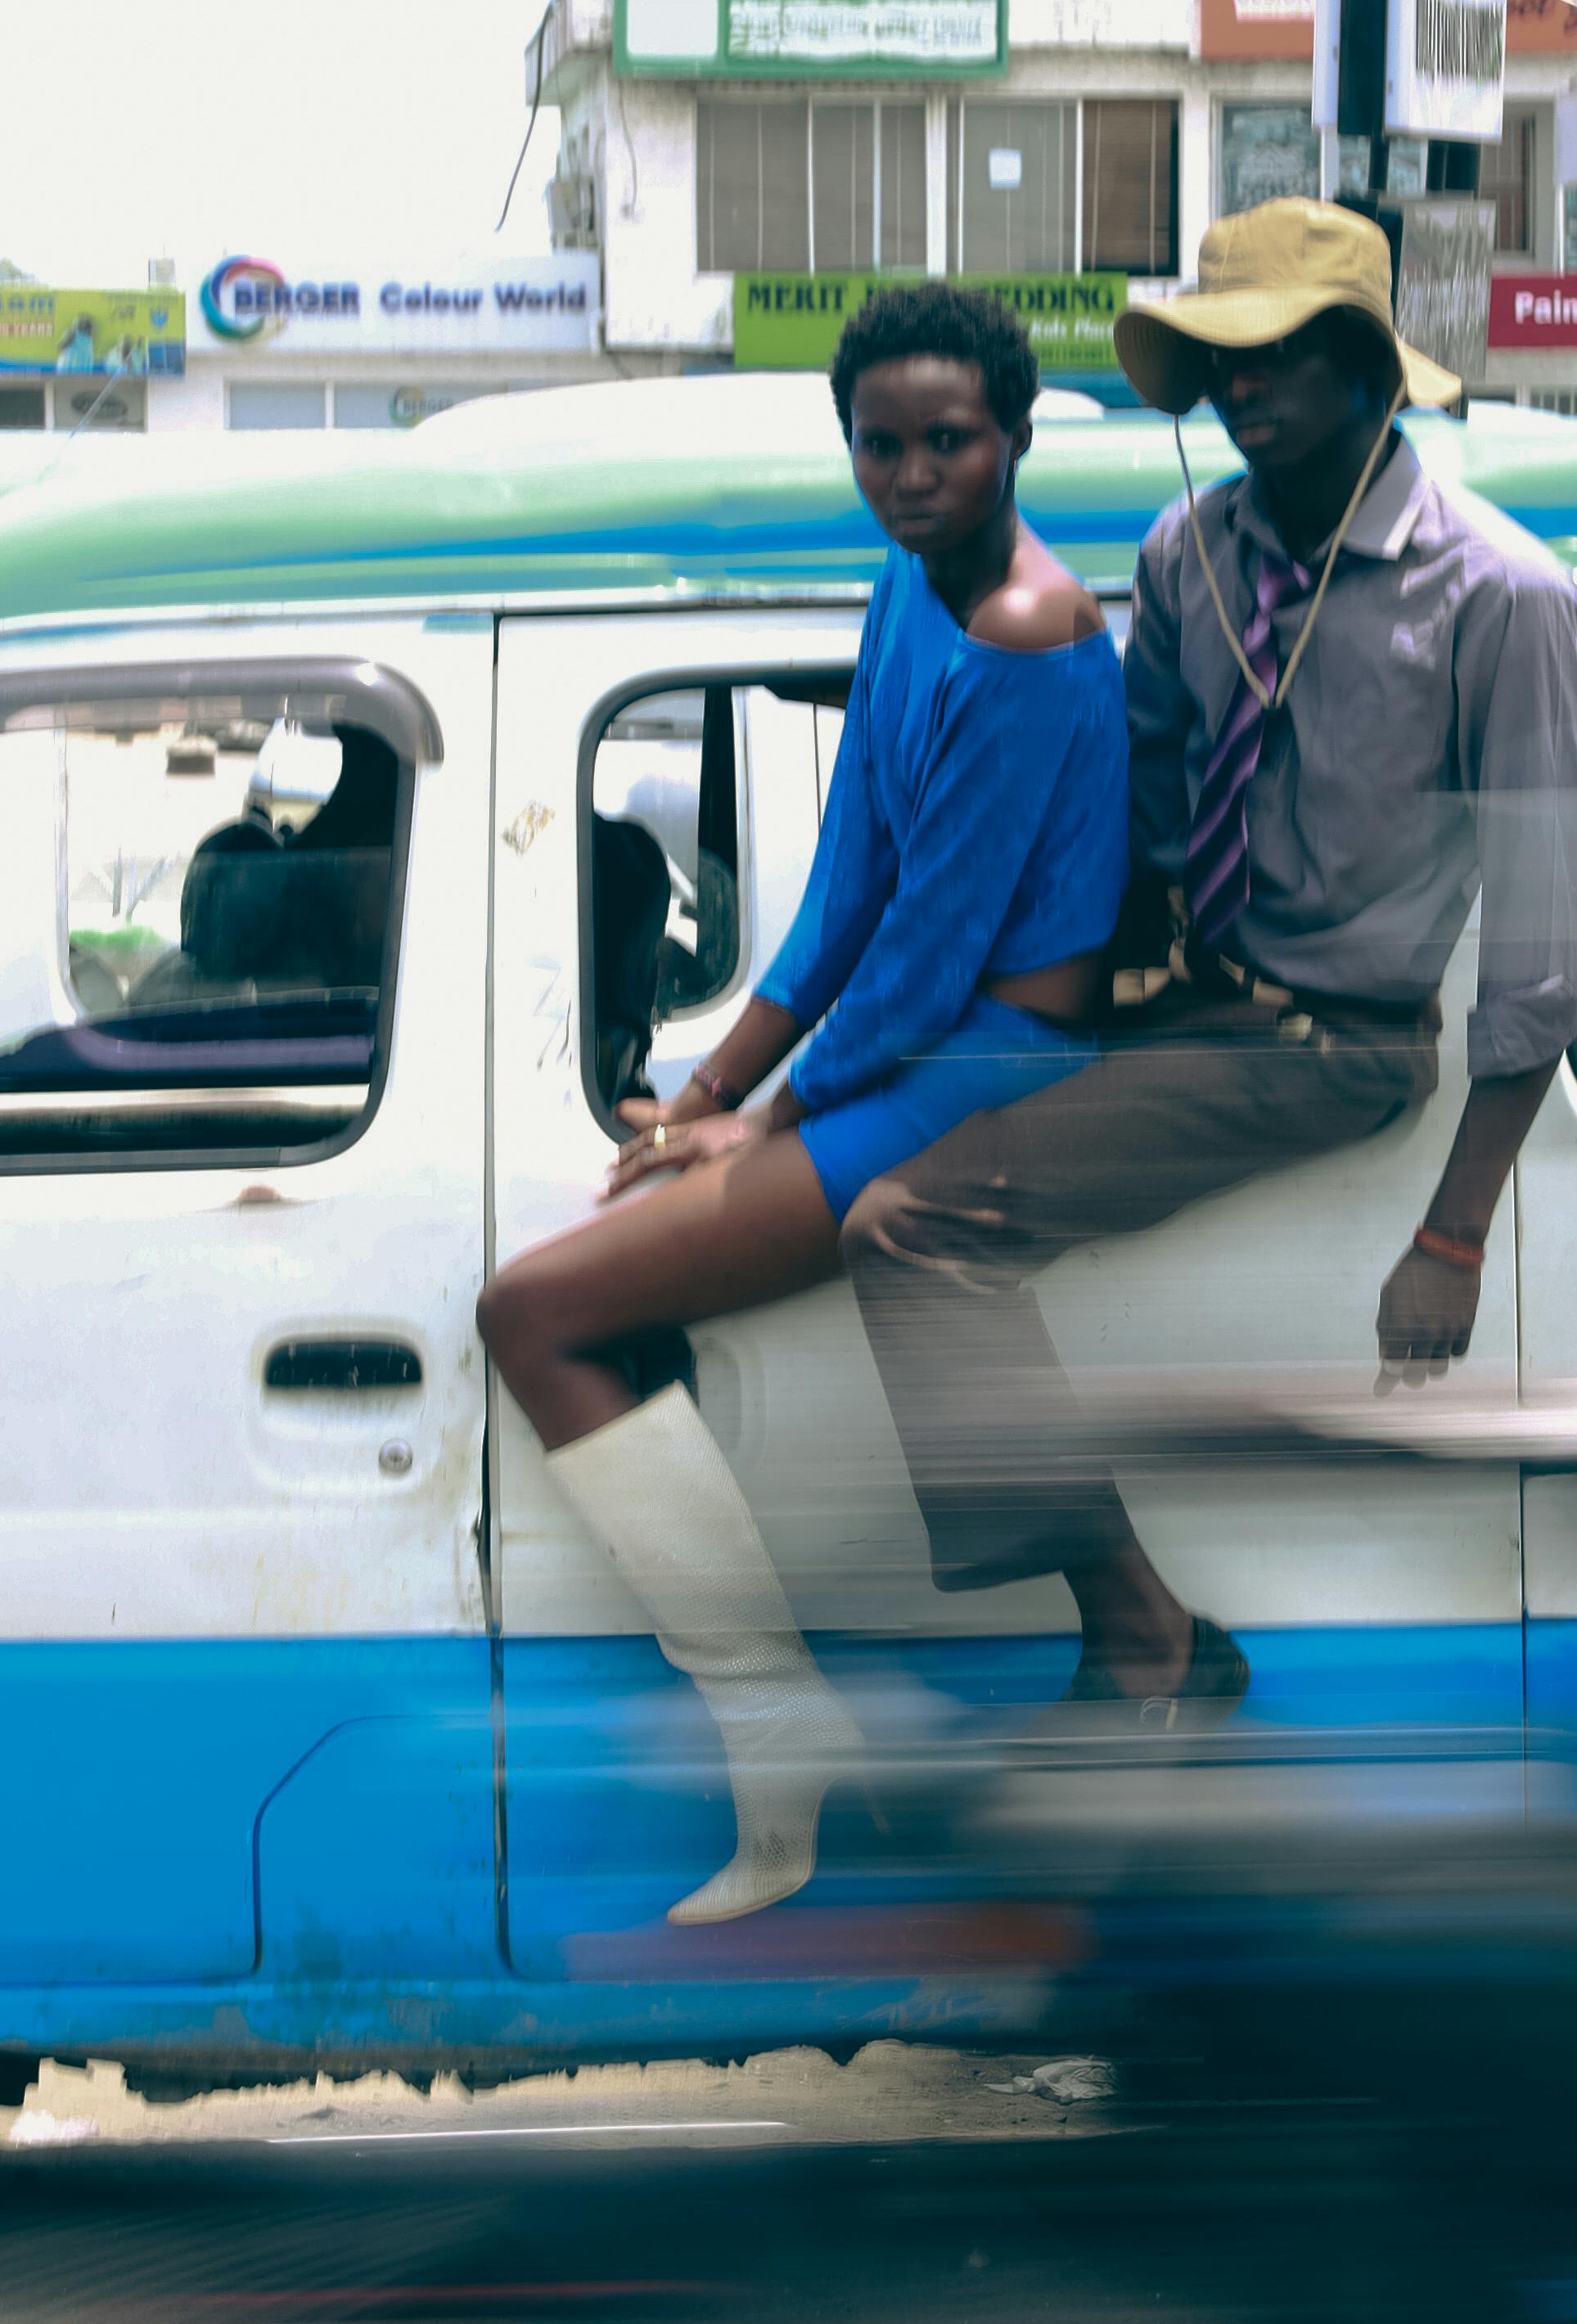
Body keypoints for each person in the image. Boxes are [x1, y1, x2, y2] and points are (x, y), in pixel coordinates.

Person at [837, 193, 1577, 1714]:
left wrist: (1452, 1237)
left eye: (1280, 358)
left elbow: (1543, 954)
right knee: (858, 1125)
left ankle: (1141, 1631)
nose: (1242, 390)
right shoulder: (1191, 551)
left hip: (1327, 1043)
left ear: (1370, 370)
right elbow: (1142, 801)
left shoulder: (1500, 595)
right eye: (1219, 361)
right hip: (1181, 993)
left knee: (904, 1230)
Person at [475, 281, 1129, 1921]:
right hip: (911, 1040)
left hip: (985, 1058)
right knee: (566, 1289)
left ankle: (781, 1732)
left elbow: (929, 948)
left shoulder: (1028, 631)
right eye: (880, 444)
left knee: (530, 1315)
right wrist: (702, 1086)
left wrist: (763, 1122)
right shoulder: (911, 590)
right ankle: (782, 1727)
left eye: (949, 442)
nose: (911, 475)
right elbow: (849, 873)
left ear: (1015, 438)